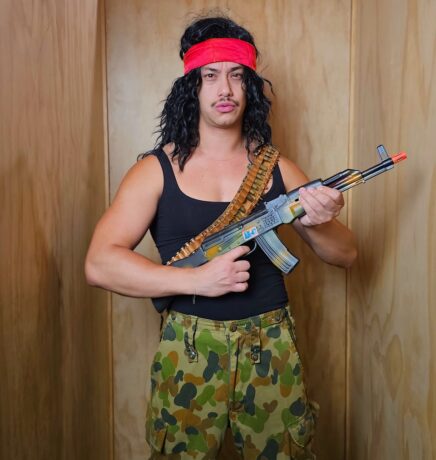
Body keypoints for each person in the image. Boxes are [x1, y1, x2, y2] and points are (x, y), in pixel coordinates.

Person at [85, 15, 357, 460]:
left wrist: (318, 218)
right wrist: (195, 280)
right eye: (210, 76)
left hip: (270, 343)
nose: (225, 89)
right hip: (189, 346)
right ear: (191, 87)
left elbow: (346, 254)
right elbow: (99, 263)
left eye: (237, 75)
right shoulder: (155, 171)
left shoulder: (276, 168)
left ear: (250, 87)